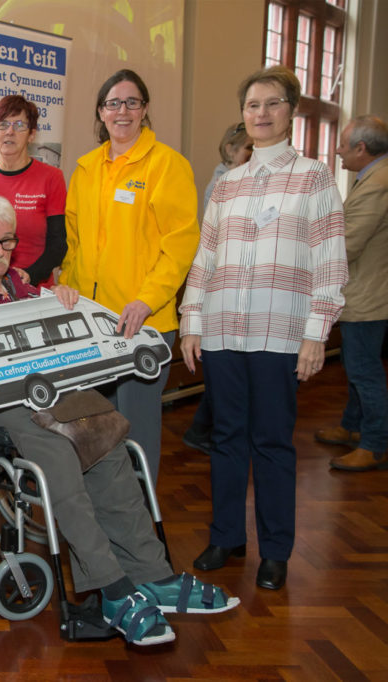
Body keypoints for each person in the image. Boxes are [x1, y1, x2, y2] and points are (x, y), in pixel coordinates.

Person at [0, 194, 239, 647]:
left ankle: (154, 573)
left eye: (7, 242)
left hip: (41, 391)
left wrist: (63, 301)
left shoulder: (27, 290)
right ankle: (110, 587)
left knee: (106, 432)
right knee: (57, 450)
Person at [179, 66, 347, 590]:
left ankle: (276, 549)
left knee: (272, 441)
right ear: (243, 115)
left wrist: (317, 332)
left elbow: (331, 262)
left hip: (280, 334)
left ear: (290, 112)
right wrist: (192, 322)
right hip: (224, 330)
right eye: (253, 106)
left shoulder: (314, 178)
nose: (262, 114)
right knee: (226, 437)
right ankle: (227, 535)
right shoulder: (227, 184)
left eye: (272, 104)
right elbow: (205, 257)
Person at [56, 69, 199, 485]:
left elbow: (180, 245)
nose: (122, 111)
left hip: (142, 324)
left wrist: (146, 300)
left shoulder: (167, 165)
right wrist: (67, 286)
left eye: (131, 102)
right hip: (90, 324)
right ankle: (103, 523)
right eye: (113, 103)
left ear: (145, 110)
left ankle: (139, 531)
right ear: (101, 113)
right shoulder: (86, 169)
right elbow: (76, 244)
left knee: (135, 434)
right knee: (92, 431)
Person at [315, 115, 388, 472]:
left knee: (363, 370)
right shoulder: (374, 177)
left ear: (362, 148)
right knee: (355, 364)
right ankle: (353, 427)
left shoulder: (378, 183)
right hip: (368, 290)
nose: (338, 150)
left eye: (343, 144)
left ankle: (375, 444)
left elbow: (349, 245)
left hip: (369, 295)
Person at [182, 122, 254, 456]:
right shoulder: (223, 183)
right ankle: (205, 430)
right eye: (249, 149)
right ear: (232, 150)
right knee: (225, 368)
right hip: (222, 287)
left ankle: (207, 428)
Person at [0, 94, 67, 288]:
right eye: (2, 125)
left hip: (33, 287)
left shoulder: (51, 178)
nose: (9, 132)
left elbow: (58, 245)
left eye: (19, 126)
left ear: (31, 134)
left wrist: (27, 276)